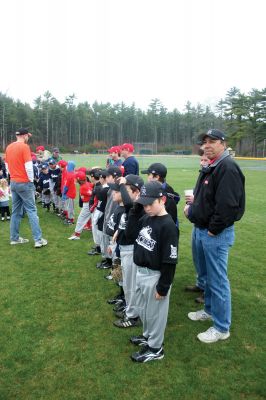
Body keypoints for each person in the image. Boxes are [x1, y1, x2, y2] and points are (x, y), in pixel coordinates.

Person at [184, 129, 245, 343]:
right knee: (209, 277)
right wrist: (193, 212)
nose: (207, 145)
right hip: (203, 229)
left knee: (218, 280)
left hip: (215, 234)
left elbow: (228, 206)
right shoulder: (212, 166)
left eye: (212, 141)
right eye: (205, 141)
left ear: (223, 143)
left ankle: (221, 327)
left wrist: (213, 229)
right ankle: (209, 311)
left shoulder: (227, 167)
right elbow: (205, 199)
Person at [129, 181, 178, 362]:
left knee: (155, 314)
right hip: (141, 272)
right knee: (143, 309)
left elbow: (170, 260)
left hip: (155, 276)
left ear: (162, 199)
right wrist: (135, 208)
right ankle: (148, 336)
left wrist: (163, 286)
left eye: (150, 203)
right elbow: (132, 231)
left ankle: (156, 348)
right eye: (144, 203)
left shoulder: (168, 225)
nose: (147, 207)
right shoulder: (147, 217)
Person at [4, 128, 47, 248]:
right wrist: (31, 181)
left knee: (16, 212)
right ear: (24, 136)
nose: (28, 137)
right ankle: (38, 240)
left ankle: (14, 238)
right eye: (28, 135)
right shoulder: (24, 147)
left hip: (13, 182)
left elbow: (7, 166)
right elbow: (28, 167)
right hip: (24, 182)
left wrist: (12, 177)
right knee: (32, 211)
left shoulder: (9, 147)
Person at [184, 150, 210, 304]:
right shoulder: (203, 173)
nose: (201, 162)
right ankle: (201, 284)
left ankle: (208, 292)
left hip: (208, 227)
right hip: (197, 223)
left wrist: (196, 199)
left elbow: (212, 202)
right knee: (198, 257)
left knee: (208, 262)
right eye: (201, 159)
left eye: (205, 159)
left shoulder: (216, 174)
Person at [68, 171, 93, 240]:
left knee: (81, 219)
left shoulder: (84, 187)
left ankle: (77, 235)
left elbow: (92, 193)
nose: (76, 180)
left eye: (77, 179)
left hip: (88, 204)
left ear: (80, 180)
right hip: (90, 204)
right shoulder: (88, 184)